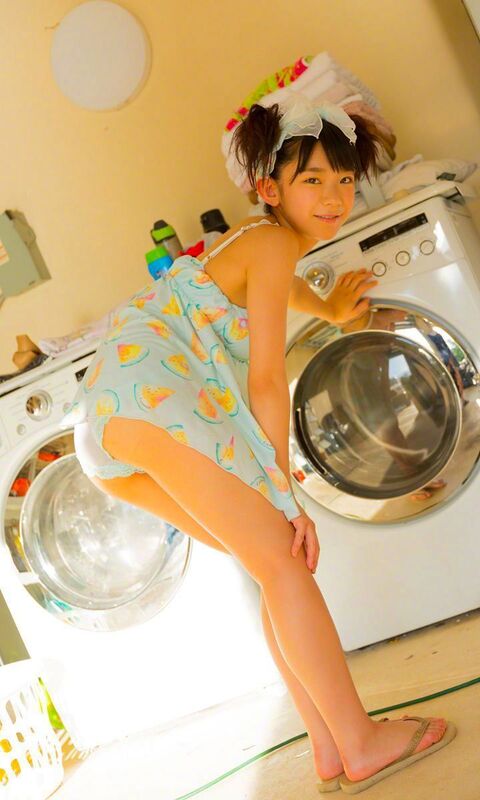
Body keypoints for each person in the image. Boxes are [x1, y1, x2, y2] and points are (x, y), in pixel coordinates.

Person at [64, 91, 456, 793]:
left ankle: (330, 745)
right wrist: (285, 494)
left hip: (110, 423)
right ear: (270, 189)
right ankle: (361, 741)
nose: (334, 196)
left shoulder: (259, 244)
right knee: (281, 558)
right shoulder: (272, 243)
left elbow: (272, 291)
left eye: (345, 179)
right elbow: (269, 382)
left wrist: (330, 307)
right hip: (146, 403)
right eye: (314, 179)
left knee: (269, 565)